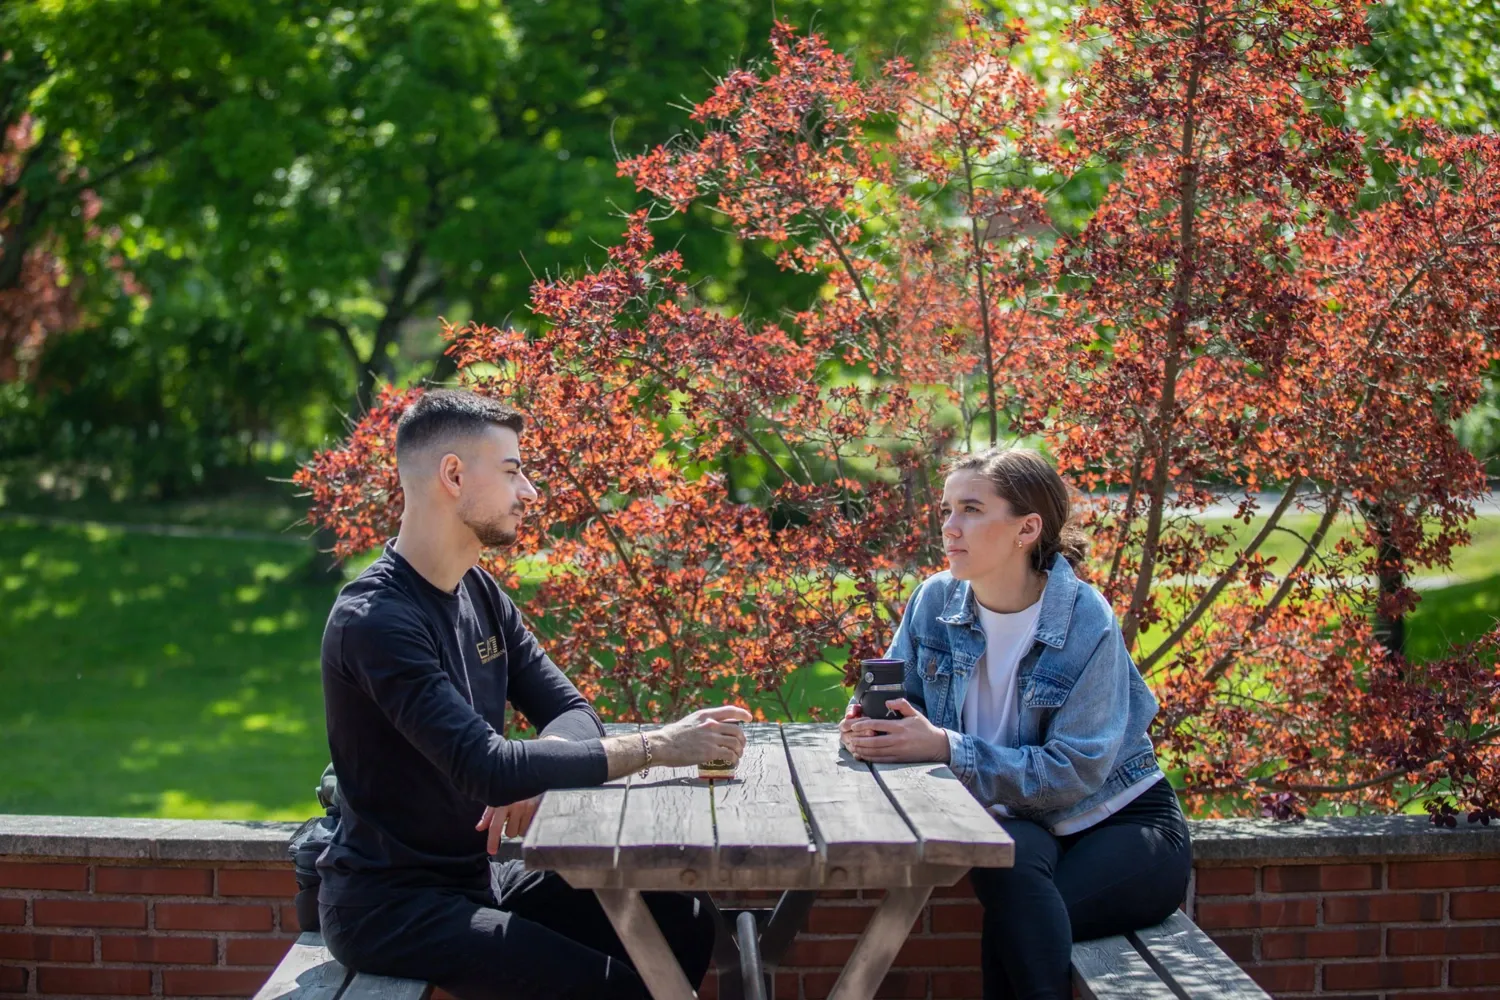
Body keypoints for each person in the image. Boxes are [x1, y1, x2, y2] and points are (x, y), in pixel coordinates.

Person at [317, 389, 750, 1000]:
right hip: (392, 905)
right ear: (453, 474)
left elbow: (575, 713)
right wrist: (659, 745)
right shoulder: (375, 620)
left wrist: (535, 770)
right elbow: (486, 768)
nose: (531, 493)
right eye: (514, 471)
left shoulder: (481, 593)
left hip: (481, 875)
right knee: (612, 991)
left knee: (684, 915)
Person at [840, 448, 1191, 1000]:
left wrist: (946, 748)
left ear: (1027, 528)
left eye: (972, 510)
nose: (951, 528)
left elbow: (1075, 770)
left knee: (1018, 924)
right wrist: (869, 725)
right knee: (1012, 880)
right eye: (947, 510)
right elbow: (900, 703)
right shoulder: (934, 600)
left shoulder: (1084, 618)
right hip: (1019, 820)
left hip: (1121, 826)